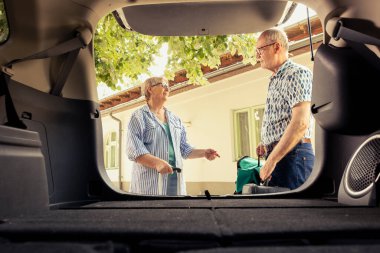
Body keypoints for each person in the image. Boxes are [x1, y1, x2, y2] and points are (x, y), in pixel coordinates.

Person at [126, 76, 220, 195]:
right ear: (150, 89)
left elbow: (184, 149)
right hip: (150, 185)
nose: (167, 89)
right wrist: (157, 163)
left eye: (168, 86)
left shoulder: (175, 119)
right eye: (163, 85)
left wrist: (203, 153)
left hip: (175, 184)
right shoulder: (139, 117)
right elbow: (134, 150)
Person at [255, 28, 315, 190]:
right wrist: (267, 143)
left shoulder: (297, 73)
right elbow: (284, 120)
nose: (257, 56)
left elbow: (301, 123)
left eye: (260, 50)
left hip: (293, 157)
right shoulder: (275, 78)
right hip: (282, 156)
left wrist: (272, 160)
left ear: (276, 47)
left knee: (295, 213)